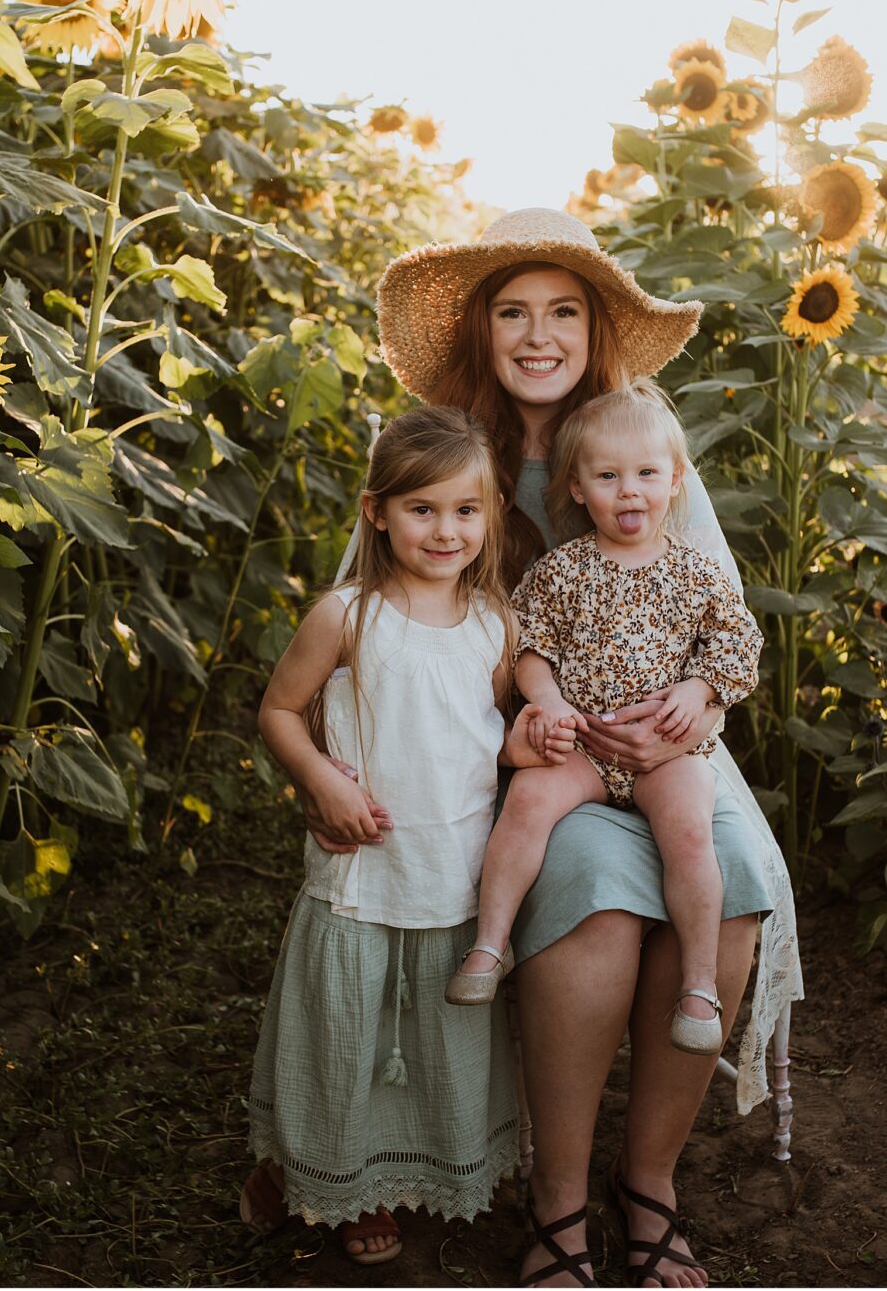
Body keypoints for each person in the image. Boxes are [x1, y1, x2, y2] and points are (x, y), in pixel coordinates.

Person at [354, 207, 806, 1288]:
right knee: (598, 899)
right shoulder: (447, 447)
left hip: (665, 739)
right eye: (512, 311)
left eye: (562, 310)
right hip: (517, 742)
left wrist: (699, 699)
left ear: (596, 327)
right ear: (480, 328)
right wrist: (515, 716)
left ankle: (647, 1183)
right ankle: (556, 1198)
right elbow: (384, 622)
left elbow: (717, 611)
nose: (538, 334)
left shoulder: (637, 438)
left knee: (733, 880)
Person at [240, 405, 554, 1267]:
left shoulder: (495, 624)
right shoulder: (348, 616)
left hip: (451, 875)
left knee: (428, 1042)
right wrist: (322, 780)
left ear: (491, 513)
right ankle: (336, 1177)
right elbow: (278, 711)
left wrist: (527, 742)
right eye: (422, 509)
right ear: (376, 511)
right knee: (348, 1036)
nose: (446, 530)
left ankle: (397, 1163)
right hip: (365, 877)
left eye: (465, 510)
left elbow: (480, 735)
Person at [445, 383, 765, 1067]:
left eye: (647, 473)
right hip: (584, 744)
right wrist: (548, 702)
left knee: (691, 831)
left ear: (674, 481)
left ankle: (699, 986)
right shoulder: (563, 571)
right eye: (608, 476)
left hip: (668, 752)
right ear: (578, 488)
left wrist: (700, 687)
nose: (629, 491)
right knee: (529, 799)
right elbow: (530, 648)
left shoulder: (697, 573)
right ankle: (489, 944)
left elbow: (739, 644)